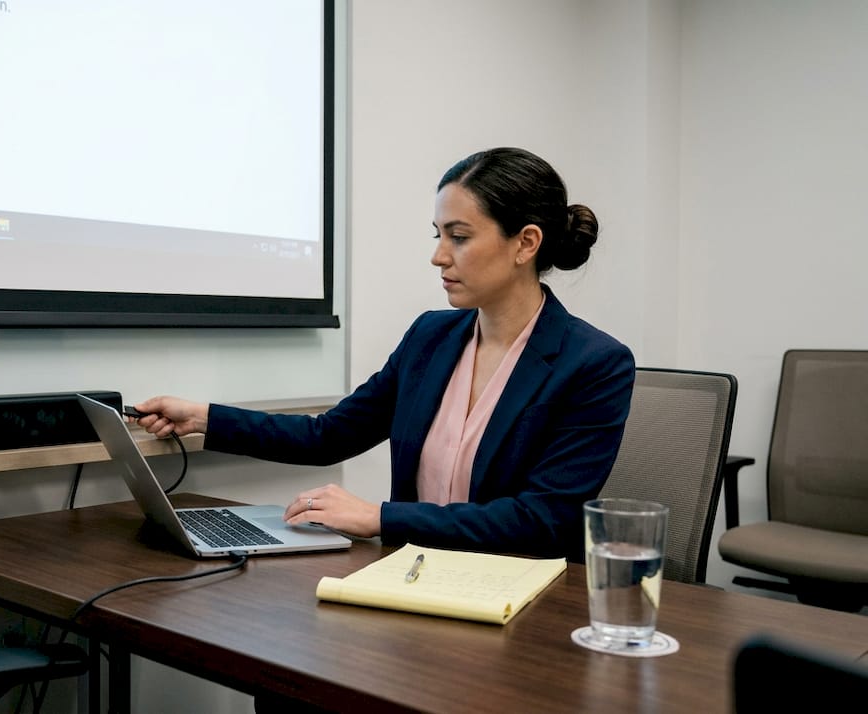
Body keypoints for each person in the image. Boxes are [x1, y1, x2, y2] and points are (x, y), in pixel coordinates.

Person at [134, 147, 635, 562]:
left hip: (520, 600)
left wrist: (378, 517)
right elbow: (327, 436)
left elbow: (541, 522)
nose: (439, 256)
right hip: (412, 578)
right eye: (438, 235)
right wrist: (203, 417)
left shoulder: (595, 363)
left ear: (525, 243)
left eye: (458, 237)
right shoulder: (431, 337)